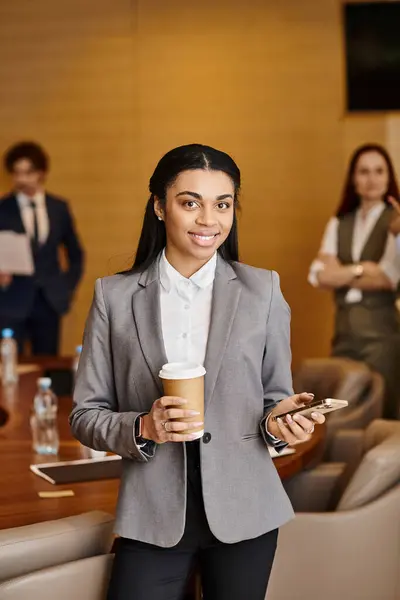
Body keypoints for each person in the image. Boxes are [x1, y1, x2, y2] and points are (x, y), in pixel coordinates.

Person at [70, 143, 325, 600]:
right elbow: (85, 415)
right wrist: (145, 426)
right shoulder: (114, 297)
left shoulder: (263, 291)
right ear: (159, 206)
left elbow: (272, 403)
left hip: (246, 511)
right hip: (152, 514)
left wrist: (283, 424)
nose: (209, 220)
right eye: (191, 202)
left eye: (222, 204)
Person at [308, 143, 400, 419]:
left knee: (379, 412)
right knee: (341, 411)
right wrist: (362, 269)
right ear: (353, 179)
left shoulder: (395, 222)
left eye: (379, 171)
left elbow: (388, 278)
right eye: (364, 172)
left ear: (389, 177)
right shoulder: (339, 222)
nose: (371, 179)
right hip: (344, 333)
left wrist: (342, 273)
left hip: (381, 336)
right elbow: (319, 275)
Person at [0, 141, 84, 354]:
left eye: (28, 173)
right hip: (11, 299)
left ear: (41, 172)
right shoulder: (3, 208)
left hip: (49, 300)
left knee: (48, 363)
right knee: (12, 364)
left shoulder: (58, 207)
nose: (22, 179)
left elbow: (76, 253)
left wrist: (66, 287)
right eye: (17, 173)